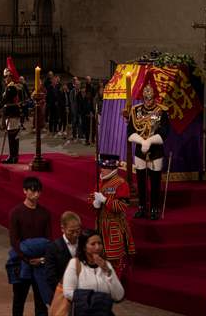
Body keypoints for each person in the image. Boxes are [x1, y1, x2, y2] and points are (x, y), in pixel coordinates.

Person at [127, 76, 169, 220]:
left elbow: (164, 133)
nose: (148, 101)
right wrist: (141, 141)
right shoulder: (136, 110)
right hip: (140, 151)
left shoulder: (161, 111)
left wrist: (149, 141)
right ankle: (142, 207)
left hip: (156, 151)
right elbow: (130, 131)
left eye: (150, 98)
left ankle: (154, 208)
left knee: (155, 181)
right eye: (146, 98)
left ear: (155, 97)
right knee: (140, 180)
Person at [8, 177, 51, 316]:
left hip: (40, 265)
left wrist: (42, 259)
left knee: (41, 302)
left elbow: (48, 240)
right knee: (19, 301)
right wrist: (26, 259)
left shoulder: (45, 213)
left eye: (38, 191)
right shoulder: (16, 212)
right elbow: (14, 241)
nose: (36, 194)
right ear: (24, 191)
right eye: (33, 191)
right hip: (21, 263)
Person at [89, 154, 135, 278]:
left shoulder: (121, 184)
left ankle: (115, 286)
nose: (101, 170)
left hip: (114, 226)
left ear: (111, 168)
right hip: (100, 225)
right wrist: (95, 203)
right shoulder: (100, 181)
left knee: (115, 259)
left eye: (103, 167)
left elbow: (122, 206)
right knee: (100, 257)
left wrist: (105, 200)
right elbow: (91, 197)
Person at [62, 230, 124, 309]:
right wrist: (94, 298)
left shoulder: (106, 264)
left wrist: (108, 271)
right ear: (84, 247)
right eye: (93, 244)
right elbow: (68, 292)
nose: (97, 247)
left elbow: (119, 296)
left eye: (99, 243)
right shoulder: (75, 263)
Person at [44, 212, 82, 294]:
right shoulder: (53, 248)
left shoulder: (84, 244)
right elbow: (50, 276)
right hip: (61, 292)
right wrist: (63, 291)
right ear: (62, 228)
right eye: (71, 231)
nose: (75, 234)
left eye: (78, 231)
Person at [0, 68, 22, 164]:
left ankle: (13, 157)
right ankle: (14, 156)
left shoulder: (11, 88)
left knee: (12, 136)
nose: (4, 78)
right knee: (13, 136)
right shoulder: (12, 87)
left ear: (10, 77)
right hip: (13, 114)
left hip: (12, 114)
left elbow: (4, 101)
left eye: (6, 76)